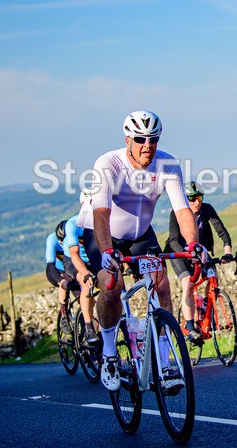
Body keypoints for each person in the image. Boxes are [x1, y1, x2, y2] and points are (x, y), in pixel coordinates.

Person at [79, 110, 200, 392]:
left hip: (140, 235)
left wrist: (193, 244)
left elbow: (183, 211)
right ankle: (109, 352)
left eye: (153, 139)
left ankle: (164, 363)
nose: (148, 145)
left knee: (162, 286)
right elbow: (101, 212)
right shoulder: (109, 163)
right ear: (128, 140)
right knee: (111, 285)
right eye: (141, 139)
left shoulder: (168, 165)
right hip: (103, 233)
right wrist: (107, 252)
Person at [167, 181, 234, 344]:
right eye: (192, 198)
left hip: (200, 250)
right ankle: (191, 328)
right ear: (185, 199)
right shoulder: (176, 213)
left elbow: (221, 231)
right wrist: (187, 254)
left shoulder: (206, 209)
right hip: (180, 253)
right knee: (188, 283)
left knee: (213, 275)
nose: (197, 202)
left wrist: (227, 251)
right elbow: (173, 240)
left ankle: (205, 307)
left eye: (200, 198)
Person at [63, 194, 99, 344]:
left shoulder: (101, 220)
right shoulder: (73, 224)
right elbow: (74, 253)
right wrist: (85, 274)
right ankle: (89, 326)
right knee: (87, 282)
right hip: (74, 261)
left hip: (93, 258)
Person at [45, 220, 77, 334]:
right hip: (59, 270)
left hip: (72, 267)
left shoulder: (74, 237)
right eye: (61, 243)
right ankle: (64, 314)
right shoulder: (52, 240)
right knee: (64, 281)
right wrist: (61, 281)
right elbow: (50, 266)